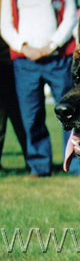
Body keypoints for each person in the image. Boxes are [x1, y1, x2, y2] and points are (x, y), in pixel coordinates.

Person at [0, 0, 80, 177]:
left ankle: (76, 165)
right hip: (25, 62)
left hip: (58, 59)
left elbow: (70, 17)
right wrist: (24, 47)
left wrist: (52, 44)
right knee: (31, 117)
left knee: (72, 114)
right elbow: (4, 25)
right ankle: (39, 167)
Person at [0, 26, 27, 170]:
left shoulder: (10, 7)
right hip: (7, 69)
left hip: (16, 68)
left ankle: (35, 164)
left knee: (23, 121)